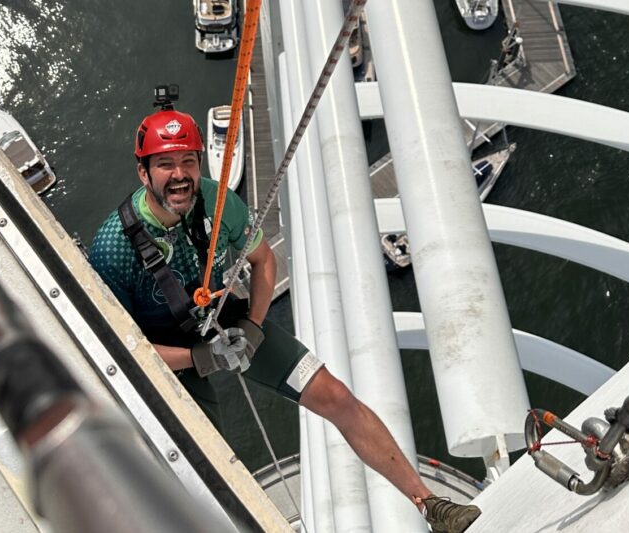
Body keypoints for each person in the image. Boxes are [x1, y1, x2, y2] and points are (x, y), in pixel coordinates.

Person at [90, 106, 481, 533]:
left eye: (188, 161)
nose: (180, 174)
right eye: (165, 164)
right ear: (143, 172)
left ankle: (430, 504)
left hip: (222, 321)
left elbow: (262, 260)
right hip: (166, 355)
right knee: (206, 471)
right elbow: (120, 349)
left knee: (336, 397)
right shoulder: (114, 248)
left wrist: (253, 328)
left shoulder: (216, 201)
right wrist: (203, 359)